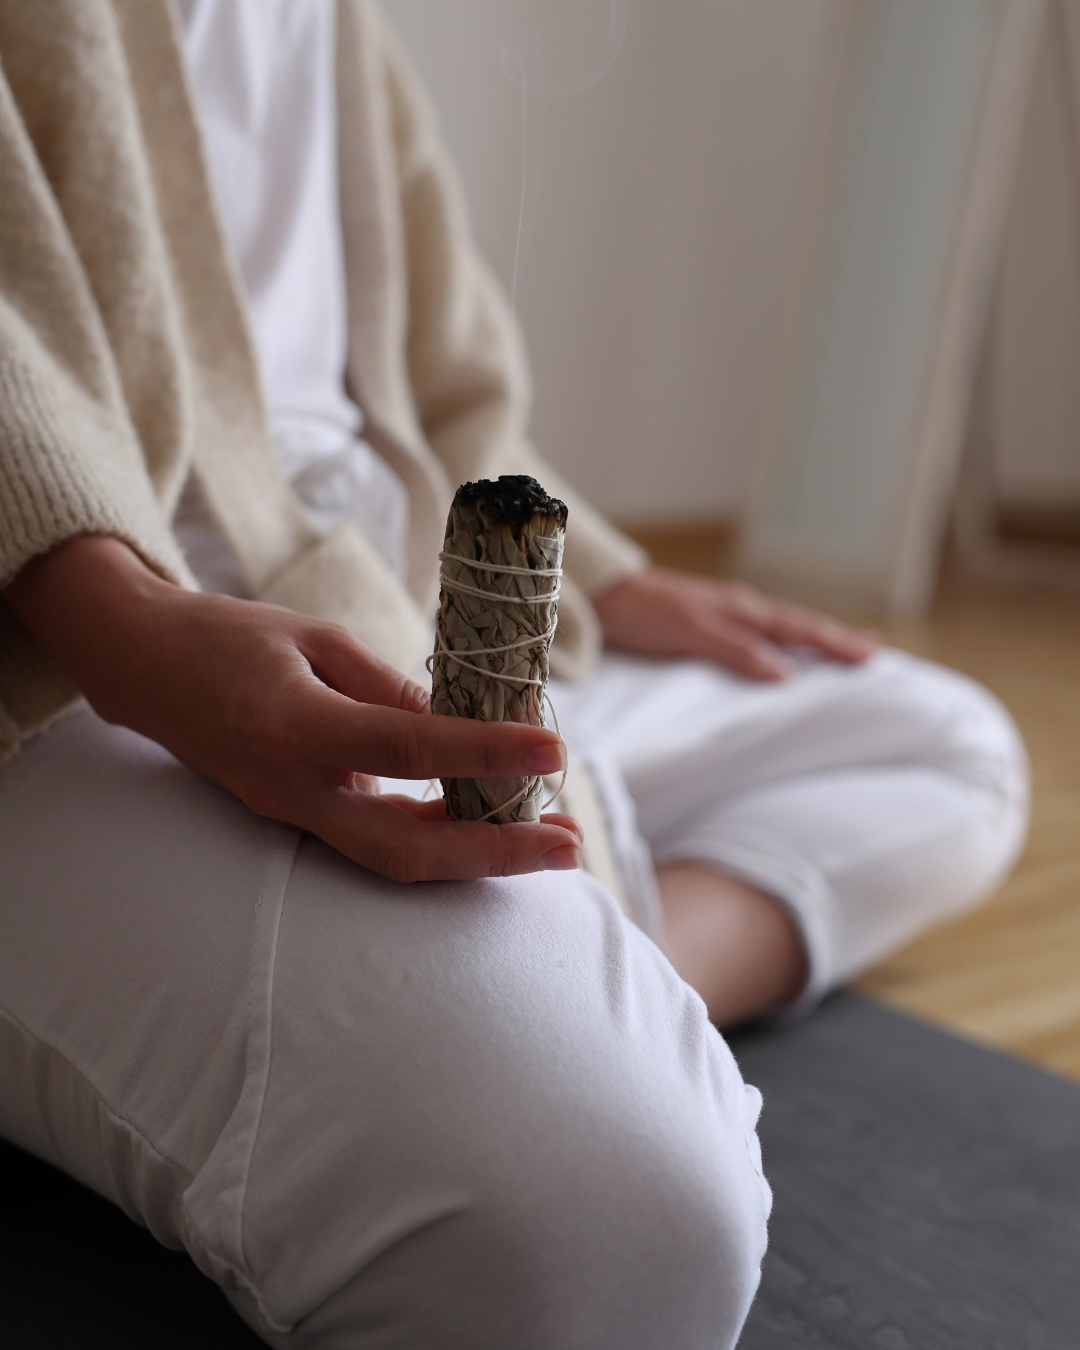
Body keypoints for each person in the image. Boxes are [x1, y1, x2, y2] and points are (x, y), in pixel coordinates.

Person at [0, 2, 1028, 1346]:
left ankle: (630, 973)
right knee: (635, 1220)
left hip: (375, 604)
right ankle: (559, 999)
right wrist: (122, 617)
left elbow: (445, 388)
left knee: (945, 742)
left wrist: (609, 576)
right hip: (72, 677)